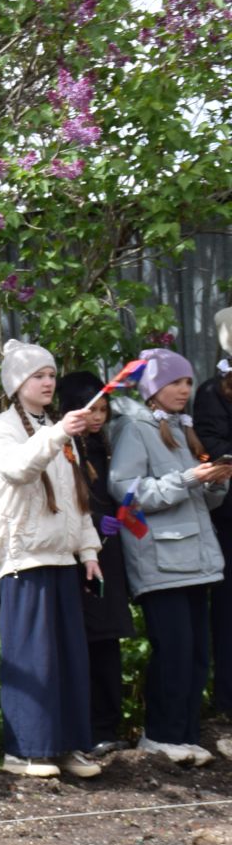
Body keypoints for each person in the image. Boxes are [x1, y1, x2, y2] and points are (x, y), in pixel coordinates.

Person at [0, 340, 103, 780]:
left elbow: (75, 499)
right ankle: (27, 751)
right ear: (17, 384)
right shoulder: (1, 430)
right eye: (38, 376)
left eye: (51, 374)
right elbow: (17, 469)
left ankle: (66, 746)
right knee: (33, 659)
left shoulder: (54, 427)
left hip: (61, 557)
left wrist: (88, 551)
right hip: (22, 557)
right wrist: (59, 434)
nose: (49, 382)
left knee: (69, 658)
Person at [107, 348, 229, 765]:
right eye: (176, 382)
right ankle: (159, 736)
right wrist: (187, 478)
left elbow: (197, 502)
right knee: (173, 651)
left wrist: (213, 483)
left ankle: (185, 735)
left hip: (195, 560)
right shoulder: (134, 428)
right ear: (153, 389)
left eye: (188, 382)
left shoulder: (181, 428)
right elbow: (126, 494)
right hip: (160, 562)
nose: (184, 390)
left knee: (196, 655)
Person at [56, 372, 136, 755]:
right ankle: (87, 727)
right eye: (91, 410)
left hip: (110, 555)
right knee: (85, 643)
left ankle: (107, 724)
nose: (98, 417)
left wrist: (120, 517)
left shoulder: (104, 445)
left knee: (108, 643)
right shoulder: (65, 447)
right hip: (79, 559)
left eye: (104, 409)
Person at [192, 306, 232, 727]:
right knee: (227, 614)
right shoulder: (211, 394)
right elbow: (215, 452)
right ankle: (227, 703)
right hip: (227, 520)